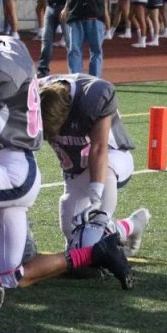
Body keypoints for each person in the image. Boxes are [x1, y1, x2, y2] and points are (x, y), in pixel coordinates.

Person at [0, 7, 133, 291]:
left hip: (8, 170)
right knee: (8, 278)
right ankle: (92, 253)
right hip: (19, 170)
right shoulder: (10, 43)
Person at [39, 74, 150, 251]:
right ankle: (131, 225)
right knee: (75, 240)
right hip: (75, 169)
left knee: (92, 234)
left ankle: (105, 227)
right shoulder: (32, 95)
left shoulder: (93, 96)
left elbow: (99, 148)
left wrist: (96, 198)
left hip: (112, 159)